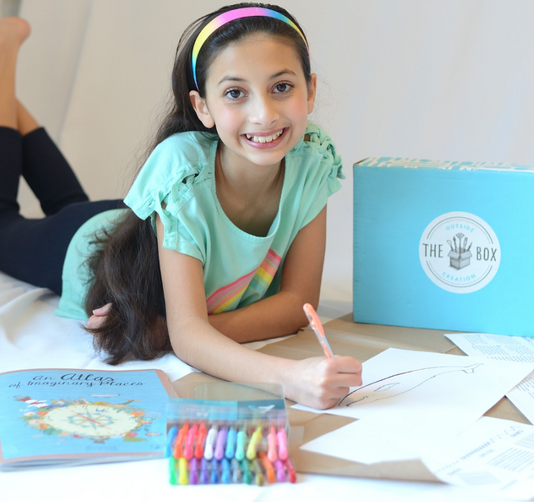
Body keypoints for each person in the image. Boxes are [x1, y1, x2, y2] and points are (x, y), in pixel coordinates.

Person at [0, 3, 362, 409]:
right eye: (235, 93)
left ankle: (3, 79)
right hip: (88, 246)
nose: (264, 114)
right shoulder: (181, 173)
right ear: (202, 106)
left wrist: (168, 329)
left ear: (310, 89)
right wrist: (290, 377)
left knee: (68, 201)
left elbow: (298, 302)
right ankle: (4, 61)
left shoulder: (312, 158)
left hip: (144, 224)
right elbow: (189, 337)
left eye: (281, 86)